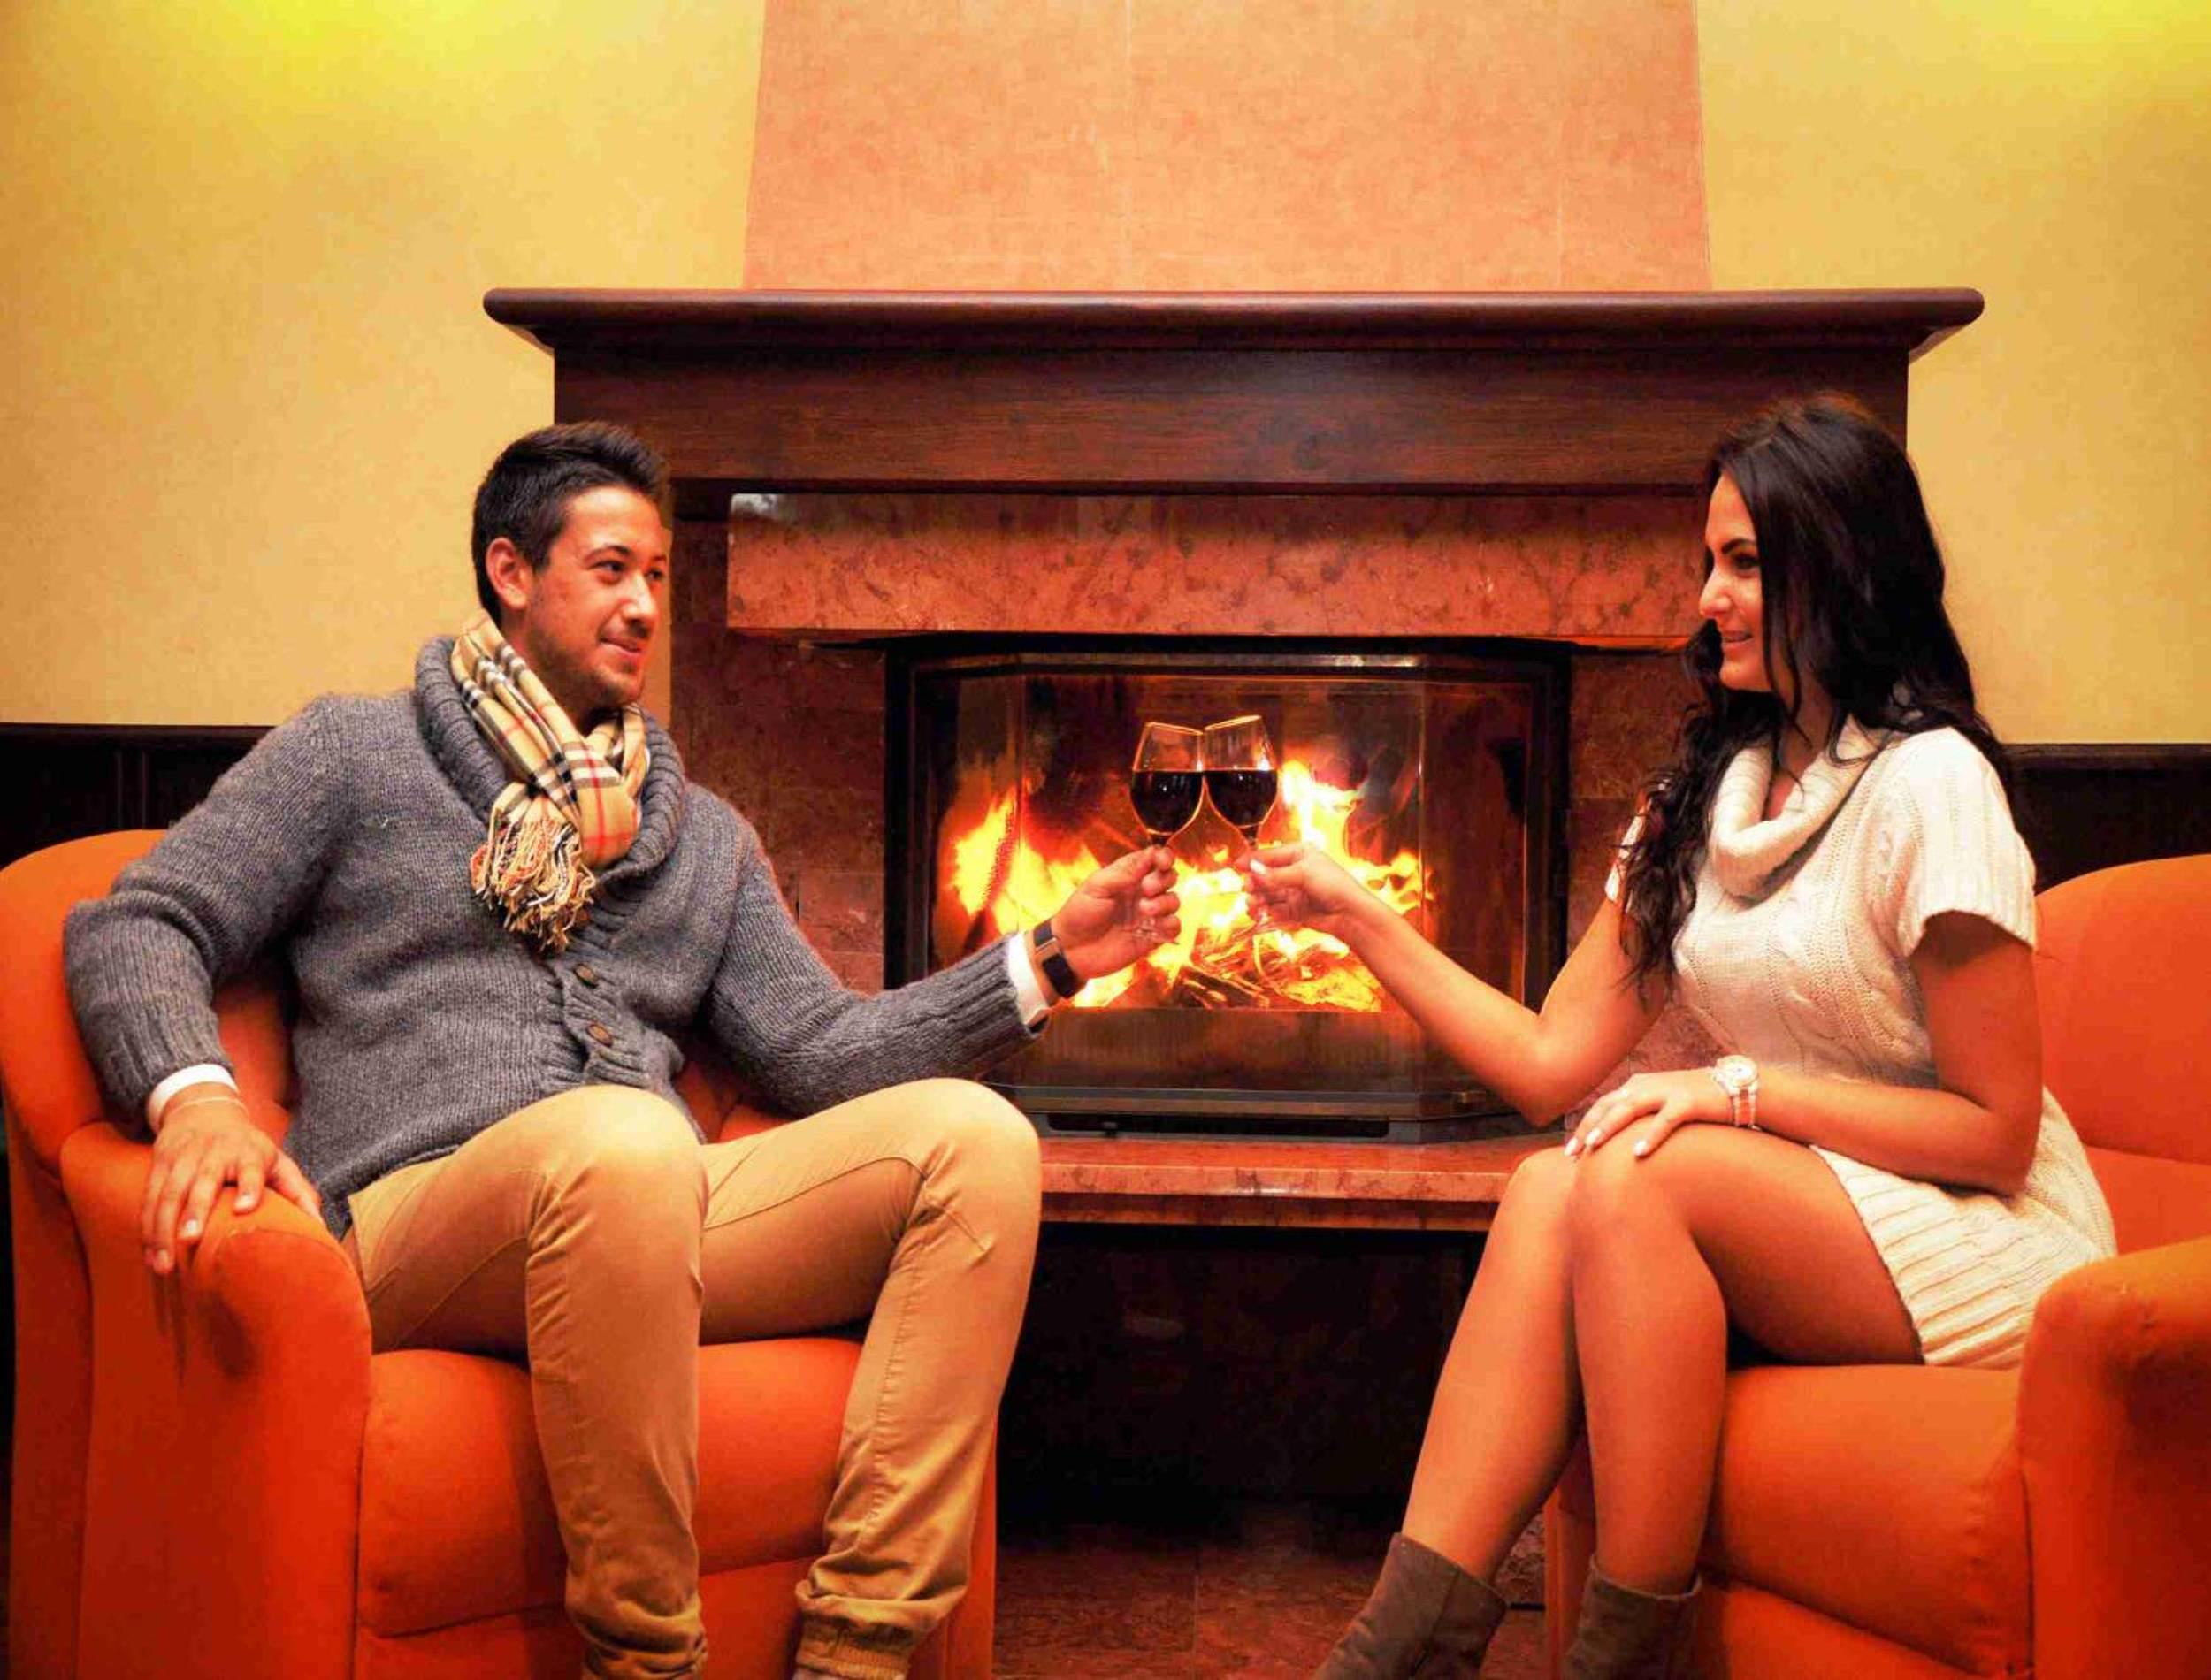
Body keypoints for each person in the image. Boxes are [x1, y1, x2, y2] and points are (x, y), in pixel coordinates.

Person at [64, 422, 1182, 1680]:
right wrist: (197, 1099)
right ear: (510, 571)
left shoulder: (698, 835)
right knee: (629, 1140)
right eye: (609, 569)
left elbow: (820, 1051)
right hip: (419, 1217)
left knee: (977, 1145)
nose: (646, 605)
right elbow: (139, 922)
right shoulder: (357, 755)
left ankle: (861, 1645)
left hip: (644, 1202)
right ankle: (648, 1663)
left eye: (656, 575)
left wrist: (1052, 957)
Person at [1242, 395, 2115, 1680]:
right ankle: (1399, 1651)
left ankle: (1623, 1656)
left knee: (1642, 1170)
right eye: (1709, 561)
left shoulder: (1933, 785)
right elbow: (1548, 1063)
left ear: (1844, 565)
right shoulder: (1706, 794)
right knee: (1550, 1186)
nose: (1709, 598)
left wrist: (1734, 1090)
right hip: (1809, 1205)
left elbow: (1994, 1133)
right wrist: (1355, 914)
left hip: (1980, 1231)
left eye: (1745, 563)